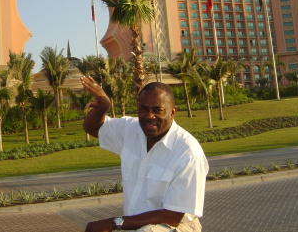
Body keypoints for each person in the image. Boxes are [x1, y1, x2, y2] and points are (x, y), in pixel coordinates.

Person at [81, 76, 209, 232]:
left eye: (157, 110)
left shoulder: (188, 153)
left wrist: (115, 222)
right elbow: (93, 128)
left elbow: (174, 215)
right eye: (143, 109)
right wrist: (102, 107)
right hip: (135, 226)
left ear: (173, 112)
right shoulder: (131, 129)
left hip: (177, 226)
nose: (149, 116)